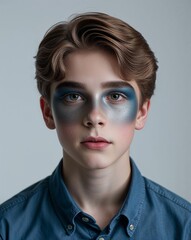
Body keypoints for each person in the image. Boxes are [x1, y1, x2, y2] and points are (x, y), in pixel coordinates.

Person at [0, 12, 191, 240]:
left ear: (141, 112)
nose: (94, 116)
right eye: (73, 96)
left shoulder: (184, 228)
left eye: (116, 96)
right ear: (48, 112)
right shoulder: (7, 229)